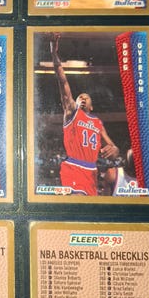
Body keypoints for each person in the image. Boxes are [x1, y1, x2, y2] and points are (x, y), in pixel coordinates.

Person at [50, 33, 119, 195]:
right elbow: (63, 81)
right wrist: (53, 53)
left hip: (92, 171)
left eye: (86, 97)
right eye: (79, 97)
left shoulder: (97, 122)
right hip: (74, 167)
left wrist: (115, 150)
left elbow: (113, 147)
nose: (82, 98)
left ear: (91, 106)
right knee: (78, 200)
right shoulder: (72, 112)